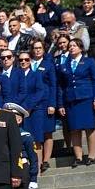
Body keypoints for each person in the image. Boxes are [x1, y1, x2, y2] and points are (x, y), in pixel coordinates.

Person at [57, 38, 95, 166]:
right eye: (70, 46)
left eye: (74, 45)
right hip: (71, 100)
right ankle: (78, 157)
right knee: (74, 129)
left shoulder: (89, 61)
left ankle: (91, 156)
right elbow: (61, 86)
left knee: (90, 127)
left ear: (81, 48)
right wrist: (60, 104)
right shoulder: (64, 65)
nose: (71, 47)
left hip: (86, 98)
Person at [30, 41, 58, 172]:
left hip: (46, 102)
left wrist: (52, 103)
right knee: (35, 133)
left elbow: (53, 85)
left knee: (47, 132)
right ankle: (36, 160)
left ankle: (46, 160)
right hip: (32, 103)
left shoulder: (48, 64)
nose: (37, 50)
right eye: (35, 48)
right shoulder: (27, 63)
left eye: (39, 48)